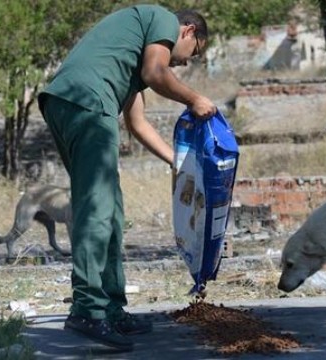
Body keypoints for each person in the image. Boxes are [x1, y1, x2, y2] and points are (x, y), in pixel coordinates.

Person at [37, 5, 215, 350]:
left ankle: (112, 309)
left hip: (71, 101)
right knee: (97, 206)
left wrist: (178, 164)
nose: (184, 63)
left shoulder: (129, 59)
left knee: (111, 210)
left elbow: (138, 124)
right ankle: (88, 310)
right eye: (192, 54)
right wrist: (194, 99)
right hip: (87, 102)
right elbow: (157, 72)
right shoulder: (162, 19)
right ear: (188, 31)